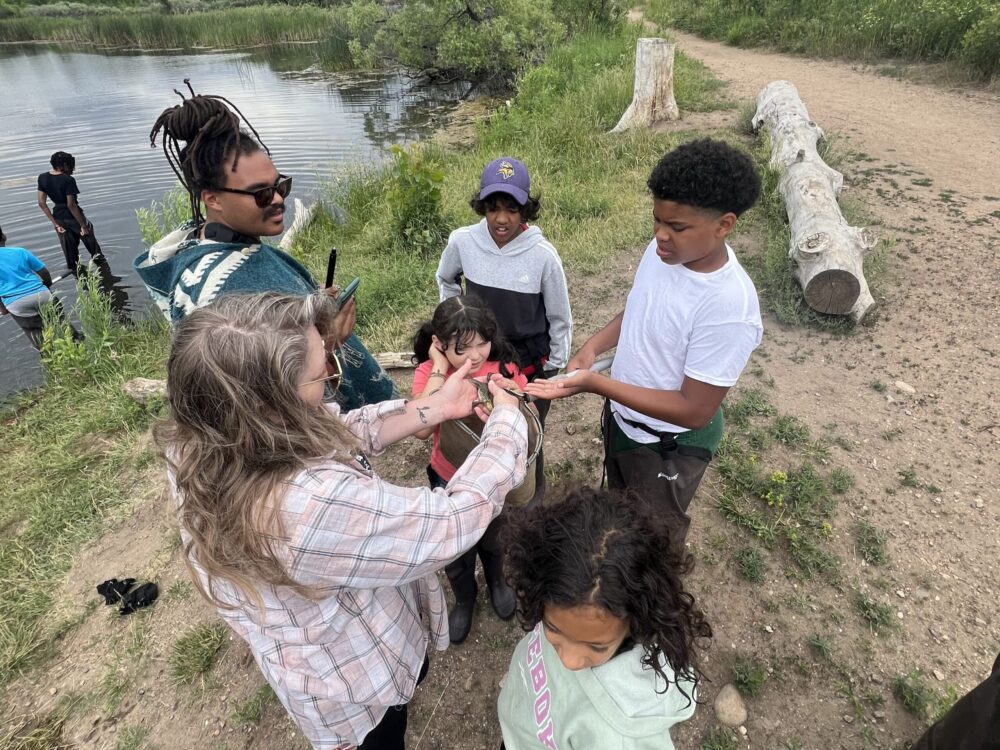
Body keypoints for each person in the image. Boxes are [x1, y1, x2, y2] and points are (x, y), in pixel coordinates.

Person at [157, 292, 528, 750]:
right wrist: (508, 424)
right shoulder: (307, 507)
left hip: (324, 649)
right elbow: (451, 522)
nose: (332, 379)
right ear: (271, 403)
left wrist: (431, 407)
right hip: (354, 690)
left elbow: (337, 430)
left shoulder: (205, 438)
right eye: (322, 374)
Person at [526, 139, 763, 548]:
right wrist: (593, 347)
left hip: (668, 446)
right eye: (657, 220)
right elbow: (638, 310)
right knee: (621, 516)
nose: (660, 236)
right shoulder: (663, 254)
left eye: (677, 227)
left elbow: (694, 410)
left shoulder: (729, 307)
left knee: (653, 542)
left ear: (724, 225)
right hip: (624, 422)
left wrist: (595, 383)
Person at [134, 82, 395, 411]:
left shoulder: (200, 250)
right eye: (260, 193)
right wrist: (329, 342)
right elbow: (258, 398)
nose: (278, 200)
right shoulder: (233, 286)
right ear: (212, 198)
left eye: (280, 186)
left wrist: (313, 305)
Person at [497, 487, 711, 749]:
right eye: (552, 629)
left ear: (636, 627)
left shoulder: (619, 738)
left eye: (596, 646)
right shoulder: (565, 607)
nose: (569, 660)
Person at [435, 156, 572, 498]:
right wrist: (457, 323)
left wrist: (555, 367)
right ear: (482, 206)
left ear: (526, 210)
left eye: (511, 209)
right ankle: (480, 494)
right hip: (480, 358)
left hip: (528, 364)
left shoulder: (543, 256)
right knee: (477, 423)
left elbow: (559, 317)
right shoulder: (463, 242)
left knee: (525, 432)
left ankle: (529, 500)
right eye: (493, 207)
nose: (501, 218)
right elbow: (446, 279)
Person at [411, 295, 530, 644]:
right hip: (447, 475)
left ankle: (496, 581)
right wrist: (437, 368)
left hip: (492, 481)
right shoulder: (430, 374)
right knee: (456, 548)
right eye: (462, 349)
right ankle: (465, 597)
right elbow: (418, 428)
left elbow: (522, 417)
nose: (475, 356)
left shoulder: (502, 367)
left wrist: (514, 397)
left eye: (482, 343)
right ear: (438, 344)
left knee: (495, 537)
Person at [37, 151, 103, 274]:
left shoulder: (42, 177)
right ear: (64, 165)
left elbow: (41, 203)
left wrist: (55, 224)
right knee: (94, 250)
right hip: (74, 218)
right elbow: (71, 205)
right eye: (71, 165)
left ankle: (79, 279)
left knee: (71, 256)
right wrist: (83, 226)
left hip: (59, 219)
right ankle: (104, 272)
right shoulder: (68, 180)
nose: (72, 168)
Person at [0, 225, 58, 350]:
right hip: (41, 294)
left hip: (15, 302)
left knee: (37, 336)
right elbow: (44, 273)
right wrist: (46, 287)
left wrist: (3, 309)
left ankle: (53, 362)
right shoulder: (20, 252)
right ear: (3, 236)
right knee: (62, 325)